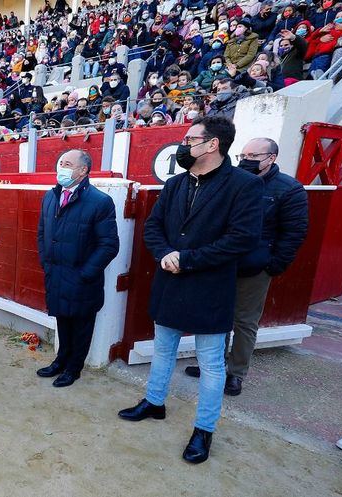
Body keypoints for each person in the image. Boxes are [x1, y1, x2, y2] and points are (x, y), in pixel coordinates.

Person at [118, 116, 264, 464]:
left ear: (212, 144)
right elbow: (153, 227)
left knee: (211, 363)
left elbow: (241, 239)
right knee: (163, 348)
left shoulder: (244, 186)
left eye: (190, 138)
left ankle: (204, 429)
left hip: (210, 284)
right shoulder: (175, 184)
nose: (184, 145)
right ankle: (154, 402)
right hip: (170, 279)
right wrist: (166, 255)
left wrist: (187, 259)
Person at [184, 138, 308, 395]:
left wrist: (274, 265)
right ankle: (213, 364)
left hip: (255, 265)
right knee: (216, 315)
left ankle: (236, 373)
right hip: (223, 261)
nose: (245, 159)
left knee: (244, 321)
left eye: (253, 155)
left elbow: (294, 233)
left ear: (271, 158)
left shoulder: (289, 189)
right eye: (243, 154)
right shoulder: (232, 181)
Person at [36, 149, 119, 387]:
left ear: (83, 171)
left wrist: (85, 273)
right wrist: (46, 262)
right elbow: (42, 233)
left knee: (81, 325)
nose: (61, 167)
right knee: (62, 319)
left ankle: (74, 368)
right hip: (57, 273)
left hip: (82, 277)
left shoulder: (100, 201)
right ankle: (61, 360)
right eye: (60, 162)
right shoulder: (51, 196)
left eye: (68, 164)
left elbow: (109, 245)